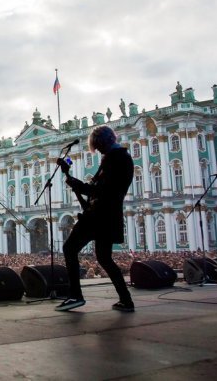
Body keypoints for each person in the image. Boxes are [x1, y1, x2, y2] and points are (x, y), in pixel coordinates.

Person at [55, 125, 135, 312]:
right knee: (104, 258)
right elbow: (98, 188)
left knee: (69, 248)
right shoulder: (120, 157)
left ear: (102, 143)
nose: (97, 150)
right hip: (108, 215)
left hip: (99, 215)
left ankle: (75, 295)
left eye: (98, 147)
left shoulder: (115, 159)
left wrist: (78, 185)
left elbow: (102, 190)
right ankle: (126, 300)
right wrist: (73, 180)